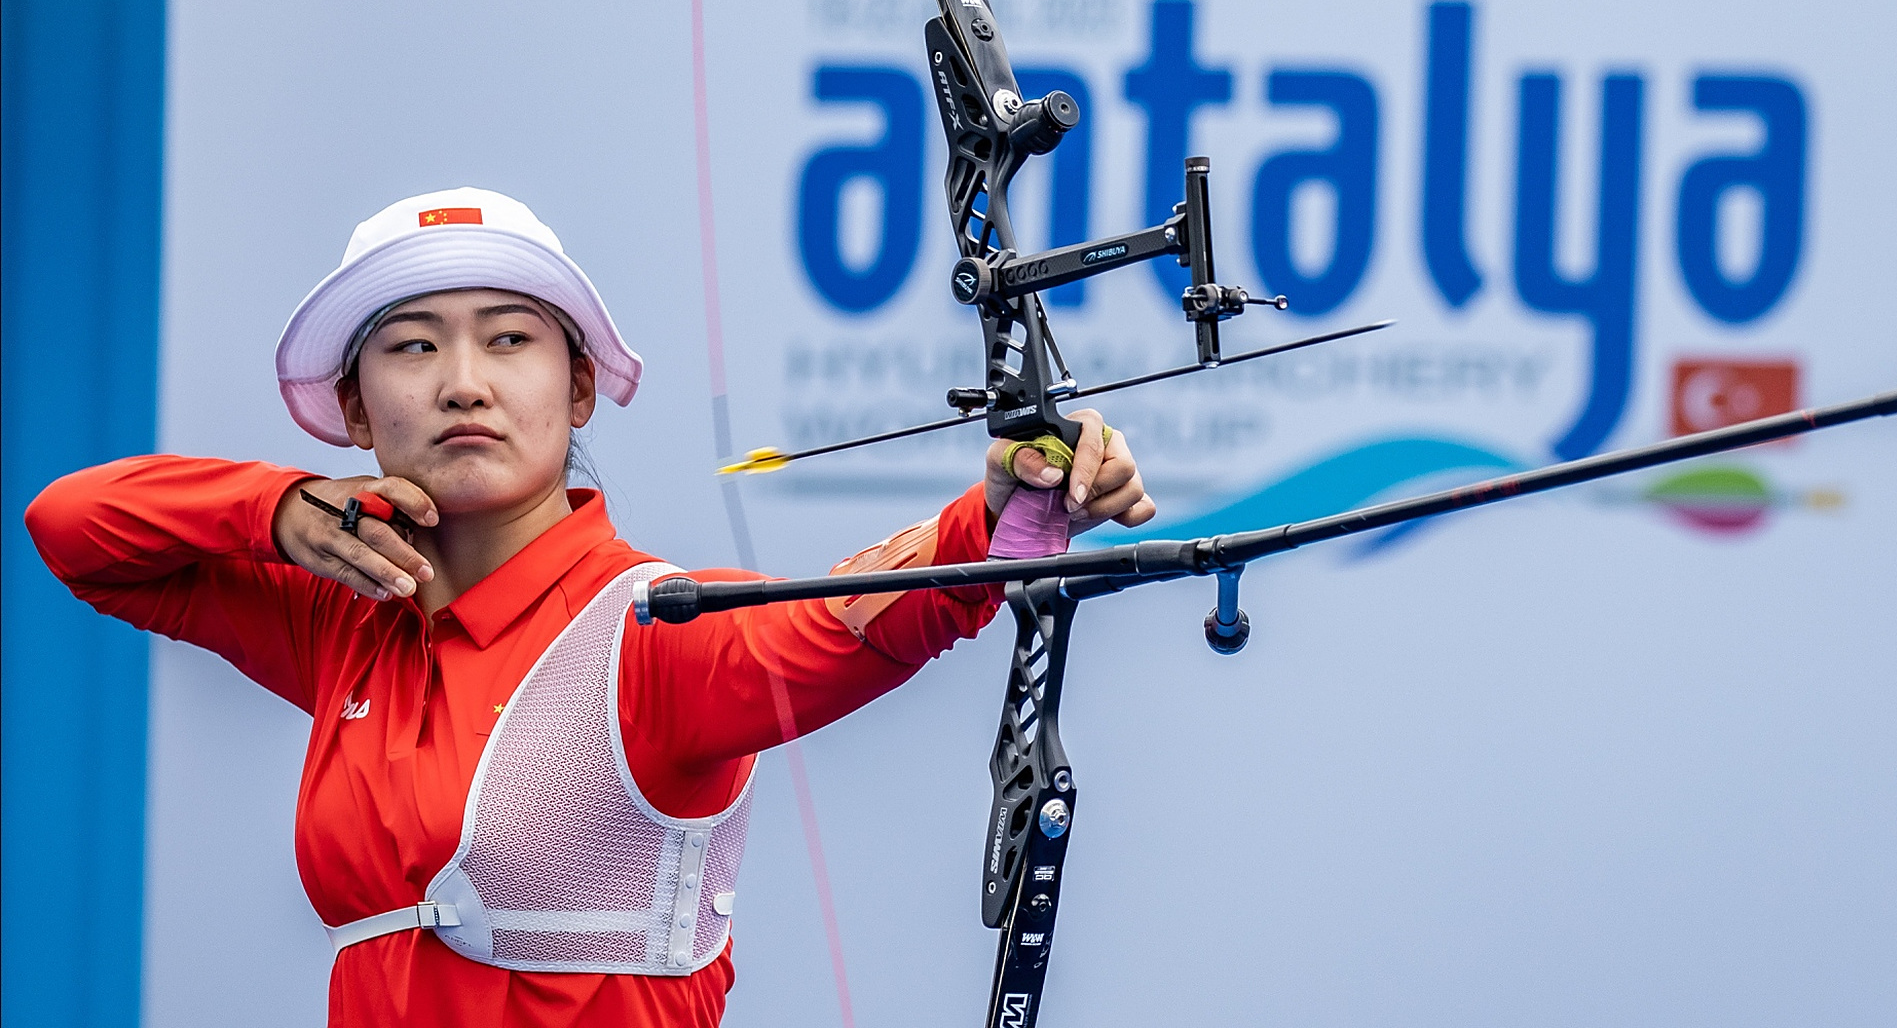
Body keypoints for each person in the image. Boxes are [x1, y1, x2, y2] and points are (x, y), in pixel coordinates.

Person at [24, 188, 1155, 1028]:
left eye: (508, 340)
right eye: (413, 347)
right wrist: (272, 507)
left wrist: (1008, 515)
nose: (462, 379)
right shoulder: (348, 622)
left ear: (574, 389)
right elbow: (75, 528)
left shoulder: (651, 633)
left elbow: (865, 615)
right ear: (356, 411)